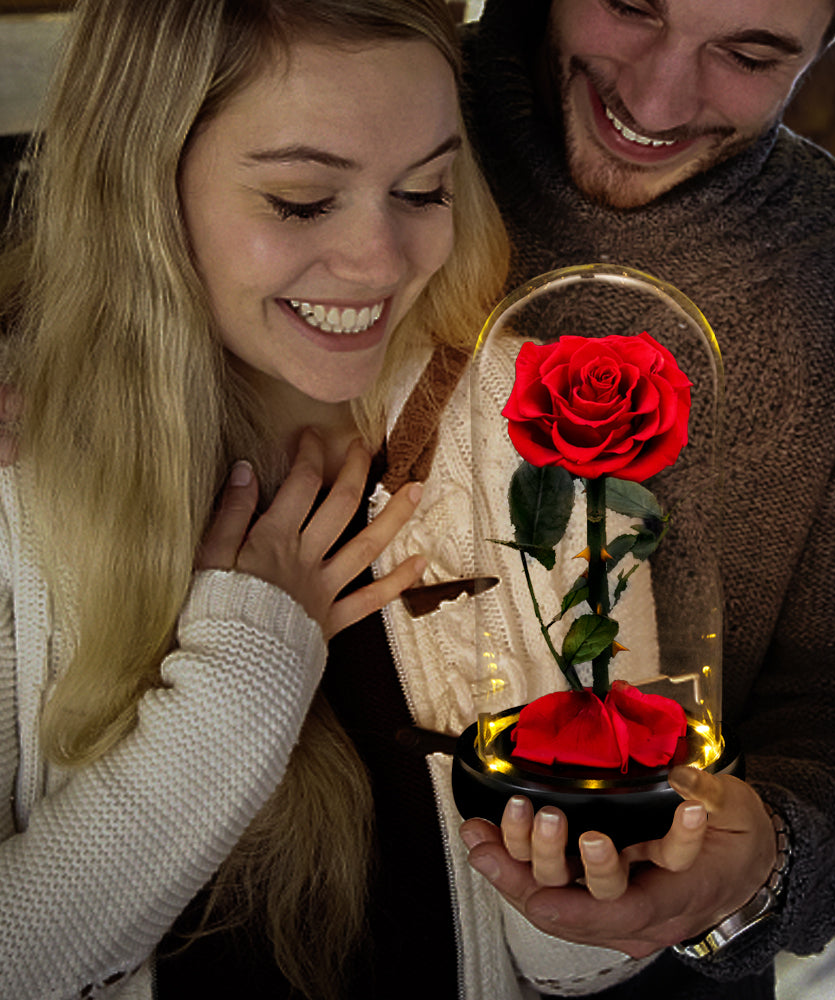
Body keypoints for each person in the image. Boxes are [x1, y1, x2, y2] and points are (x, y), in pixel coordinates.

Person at [0, 0, 575, 997]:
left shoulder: (517, 425)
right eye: (302, 202)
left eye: (425, 188)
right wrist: (243, 679)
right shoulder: (18, 484)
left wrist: (607, 899)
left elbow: (564, 963)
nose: (382, 262)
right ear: (141, 188)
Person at [456, 1, 835, 997]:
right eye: (630, 5)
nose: (653, 102)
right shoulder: (358, 124)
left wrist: (763, 860)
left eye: (747, 54)